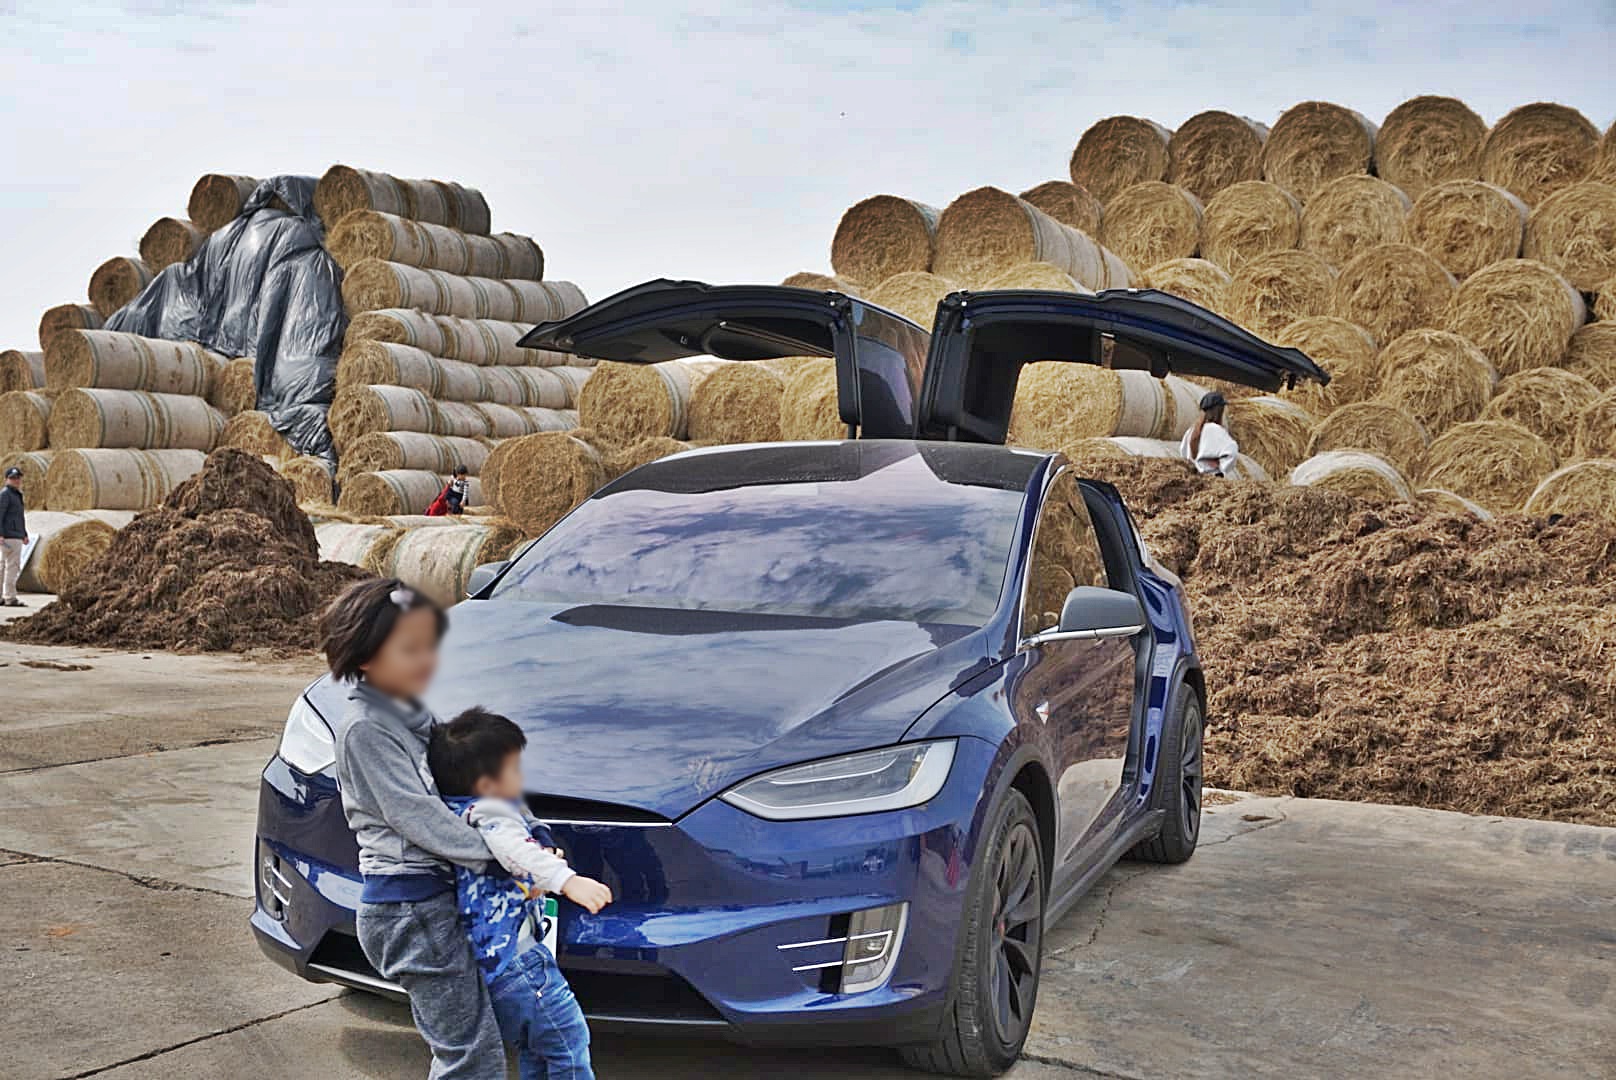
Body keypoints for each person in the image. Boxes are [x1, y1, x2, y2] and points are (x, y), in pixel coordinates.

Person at [319, 578, 506, 1080]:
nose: (425, 661)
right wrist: (498, 856)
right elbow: (415, 815)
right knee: (470, 1054)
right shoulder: (366, 730)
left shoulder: (407, 715)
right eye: (409, 650)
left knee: (469, 1042)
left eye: (428, 646)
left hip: (425, 902)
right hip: (408, 908)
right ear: (364, 658)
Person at [428, 707, 612, 1080]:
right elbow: (518, 851)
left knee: (537, 1049)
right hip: (521, 962)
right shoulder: (493, 812)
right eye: (514, 769)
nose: (522, 777)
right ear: (486, 783)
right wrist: (567, 880)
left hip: (496, 962)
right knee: (568, 1043)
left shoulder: (457, 811)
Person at [1180, 391, 1240, 477]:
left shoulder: (1191, 431)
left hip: (1193, 478)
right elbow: (1232, 451)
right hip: (1212, 479)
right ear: (1219, 411)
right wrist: (1222, 467)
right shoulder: (1216, 430)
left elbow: (1183, 453)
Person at [1, 466, 28, 608]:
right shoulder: (6, 494)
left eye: (18, 478)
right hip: (9, 536)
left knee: (4, 566)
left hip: (15, 535)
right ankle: (10, 598)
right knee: (12, 567)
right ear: (6, 480)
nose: (16, 480)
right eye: (13, 478)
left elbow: (19, 517)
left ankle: (3, 596)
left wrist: (24, 534)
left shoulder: (16, 495)